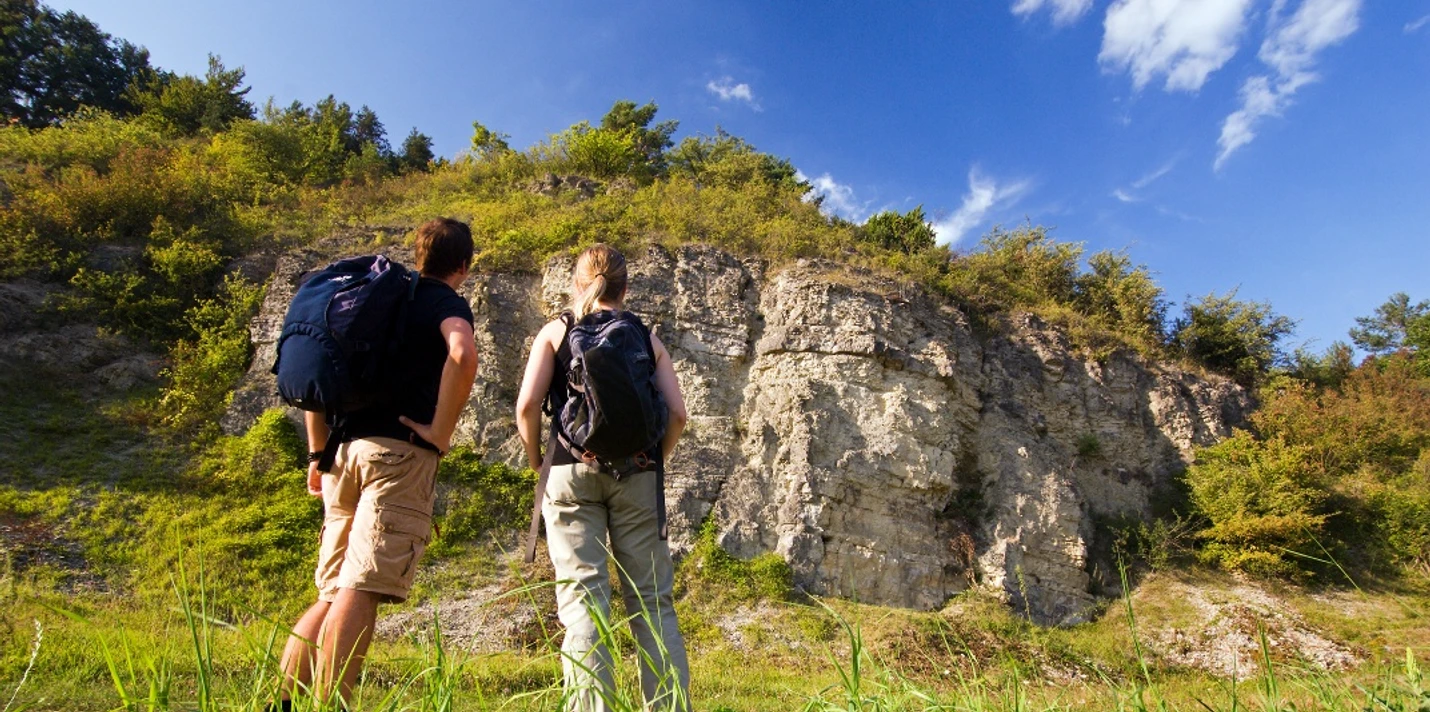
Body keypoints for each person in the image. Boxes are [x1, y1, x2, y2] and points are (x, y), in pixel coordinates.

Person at [276, 218, 479, 707]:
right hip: (396, 458)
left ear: (420, 253)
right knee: (362, 588)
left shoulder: (378, 299)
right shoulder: (442, 302)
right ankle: (333, 705)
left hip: (341, 456)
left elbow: (321, 376)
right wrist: (441, 431)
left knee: (330, 594)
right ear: (464, 266)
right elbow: (462, 352)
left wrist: (317, 452)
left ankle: (278, 703)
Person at [515, 244, 691, 711]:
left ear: (577, 282)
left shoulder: (557, 330)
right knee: (653, 604)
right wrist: (652, 458)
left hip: (569, 470)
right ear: (626, 287)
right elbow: (677, 414)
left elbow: (527, 406)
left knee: (584, 605)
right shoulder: (645, 337)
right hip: (637, 472)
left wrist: (538, 462)